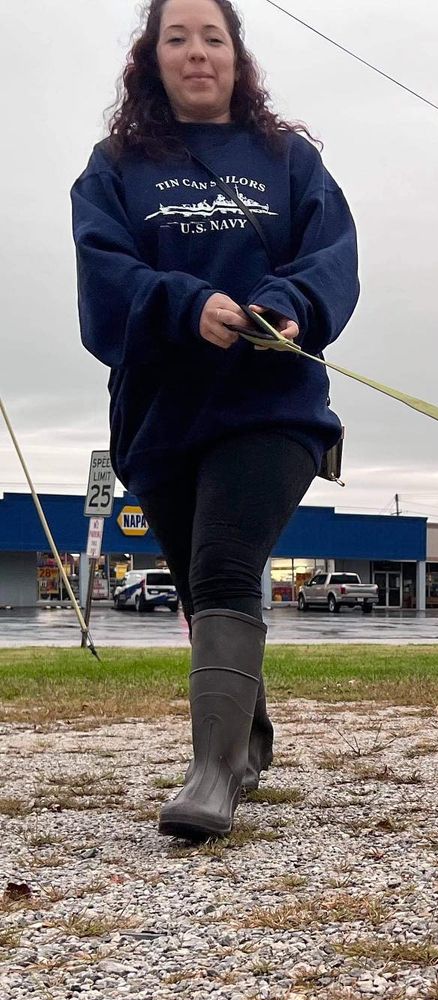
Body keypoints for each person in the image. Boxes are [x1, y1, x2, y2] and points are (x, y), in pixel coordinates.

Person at [71, 0, 359, 841]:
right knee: (201, 586)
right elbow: (104, 274)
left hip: (271, 404)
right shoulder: (114, 168)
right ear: (151, 59)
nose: (197, 53)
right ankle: (250, 740)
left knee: (227, 562)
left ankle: (213, 770)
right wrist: (183, 303)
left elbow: (330, 255)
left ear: (237, 56)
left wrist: (288, 304)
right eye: (177, 38)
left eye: (214, 37)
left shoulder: (288, 159)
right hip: (161, 415)